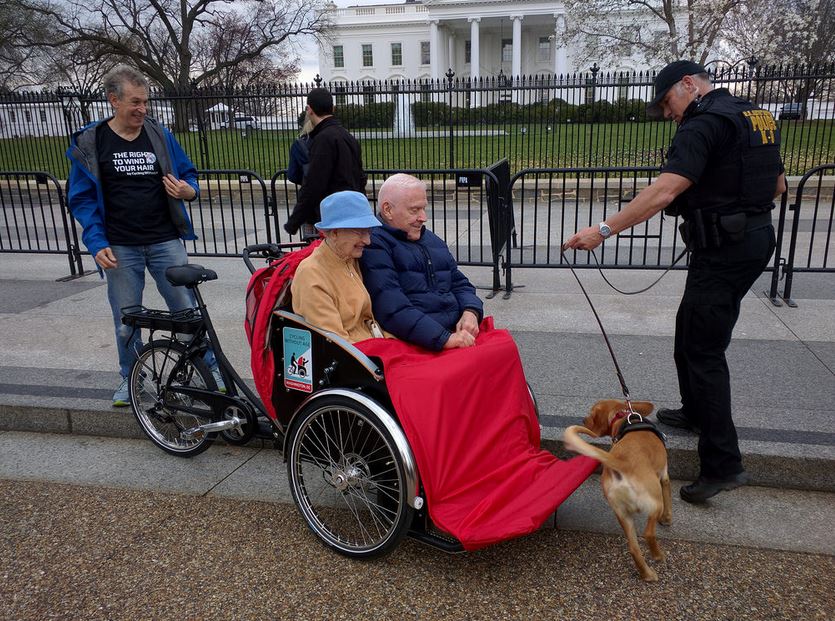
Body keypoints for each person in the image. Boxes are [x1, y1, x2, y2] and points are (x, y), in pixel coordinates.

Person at [564, 60, 786, 504]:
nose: (669, 114)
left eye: (668, 102)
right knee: (691, 330)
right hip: (752, 238)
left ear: (689, 85)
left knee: (703, 349)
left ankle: (723, 464)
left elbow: (664, 191)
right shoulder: (753, 114)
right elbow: (778, 185)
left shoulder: (701, 124)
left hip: (724, 248)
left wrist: (601, 231)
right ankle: (695, 410)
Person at [66, 64, 222, 407]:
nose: (142, 109)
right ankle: (131, 378)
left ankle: (211, 370)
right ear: (113, 100)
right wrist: (96, 242)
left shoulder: (159, 135)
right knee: (126, 318)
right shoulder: (92, 142)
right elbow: (81, 199)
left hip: (165, 240)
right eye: (135, 102)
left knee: (186, 309)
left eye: (146, 101)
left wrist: (188, 191)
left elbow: (190, 175)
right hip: (119, 246)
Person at [359, 173, 484, 351]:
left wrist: (471, 311)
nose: (423, 217)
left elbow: (460, 283)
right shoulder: (375, 244)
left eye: (423, 208)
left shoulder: (431, 240)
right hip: (420, 342)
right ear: (388, 210)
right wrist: (445, 339)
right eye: (414, 210)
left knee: (505, 350)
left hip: (453, 331)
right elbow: (393, 309)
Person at [291, 191, 385, 343]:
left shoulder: (350, 258)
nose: (368, 241)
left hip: (372, 340)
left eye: (368, 231)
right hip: (356, 354)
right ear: (335, 233)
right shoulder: (311, 274)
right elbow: (336, 342)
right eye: (360, 232)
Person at [284, 88, 367, 237]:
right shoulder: (348, 136)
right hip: (350, 211)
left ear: (309, 110)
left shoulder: (323, 139)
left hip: (330, 214)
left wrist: (294, 222)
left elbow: (314, 184)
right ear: (332, 108)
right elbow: (360, 177)